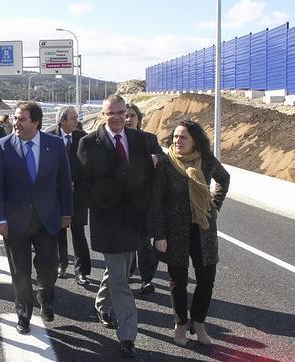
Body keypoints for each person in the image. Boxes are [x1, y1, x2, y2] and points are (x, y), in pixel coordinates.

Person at [76, 94, 154, 358]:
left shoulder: (140, 140)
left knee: (123, 270)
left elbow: (148, 180)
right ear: (103, 114)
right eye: (112, 113)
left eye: (122, 112)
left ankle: (100, 303)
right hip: (108, 224)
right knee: (121, 281)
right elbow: (84, 186)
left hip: (134, 223)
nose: (118, 117)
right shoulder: (88, 143)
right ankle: (128, 336)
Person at [0, 101, 72, 335]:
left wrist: (66, 213)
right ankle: (23, 313)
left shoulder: (55, 145)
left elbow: (64, 183)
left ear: (36, 122)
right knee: (20, 272)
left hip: (47, 219)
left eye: (22, 119)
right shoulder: (2, 146)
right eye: (15, 118)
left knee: (48, 269)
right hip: (15, 222)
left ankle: (46, 297)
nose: (16, 123)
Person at [150, 120, 229, 347]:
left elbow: (224, 178)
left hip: (203, 230)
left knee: (206, 280)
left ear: (195, 140)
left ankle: (199, 323)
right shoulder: (166, 164)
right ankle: (180, 325)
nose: (178, 141)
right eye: (175, 137)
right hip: (175, 233)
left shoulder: (206, 160)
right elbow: (157, 202)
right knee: (178, 281)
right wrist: (159, 234)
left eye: (183, 137)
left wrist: (214, 205)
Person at [46, 106, 91, 286]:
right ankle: (61, 264)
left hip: (78, 194)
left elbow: (88, 165)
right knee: (59, 231)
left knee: (78, 231)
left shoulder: (83, 138)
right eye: (72, 118)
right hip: (55, 195)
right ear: (62, 121)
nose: (76, 121)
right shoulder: (50, 137)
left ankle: (82, 271)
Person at [125, 102, 165, 294]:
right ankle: (127, 272)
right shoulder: (117, 139)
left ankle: (146, 279)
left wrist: (156, 158)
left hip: (146, 200)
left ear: (139, 119)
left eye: (132, 115)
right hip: (123, 202)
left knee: (144, 242)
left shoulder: (149, 139)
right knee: (128, 240)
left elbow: (163, 158)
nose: (128, 119)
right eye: (125, 115)